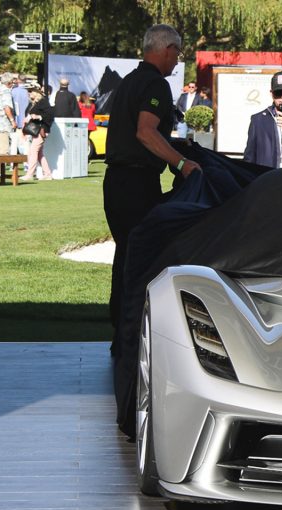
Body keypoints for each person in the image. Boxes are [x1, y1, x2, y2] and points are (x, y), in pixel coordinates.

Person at [103, 24, 201, 366]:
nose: (177, 60)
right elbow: (145, 133)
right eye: (177, 52)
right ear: (166, 49)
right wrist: (182, 163)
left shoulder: (129, 81)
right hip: (135, 183)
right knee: (141, 259)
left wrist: (175, 147)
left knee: (126, 256)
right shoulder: (156, 84)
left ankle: (122, 336)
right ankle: (131, 338)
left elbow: (137, 134)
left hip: (116, 182)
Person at [20, 88, 54, 181]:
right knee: (39, 154)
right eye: (28, 91)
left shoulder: (43, 102)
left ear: (36, 93)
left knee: (33, 151)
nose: (29, 93)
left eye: (31, 91)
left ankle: (30, 174)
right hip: (35, 130)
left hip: (41, 130)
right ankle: (48, 174)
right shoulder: (33, 103)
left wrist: (38, 116)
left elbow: (50, 115)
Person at [10, 77, 30, 155]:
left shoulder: (13, 91)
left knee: (14, 143)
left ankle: (12, 163)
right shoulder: (28, 91)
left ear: (18, 80)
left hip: (16, 120)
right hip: (27, 120)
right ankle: (26, 163)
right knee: (27, 143)